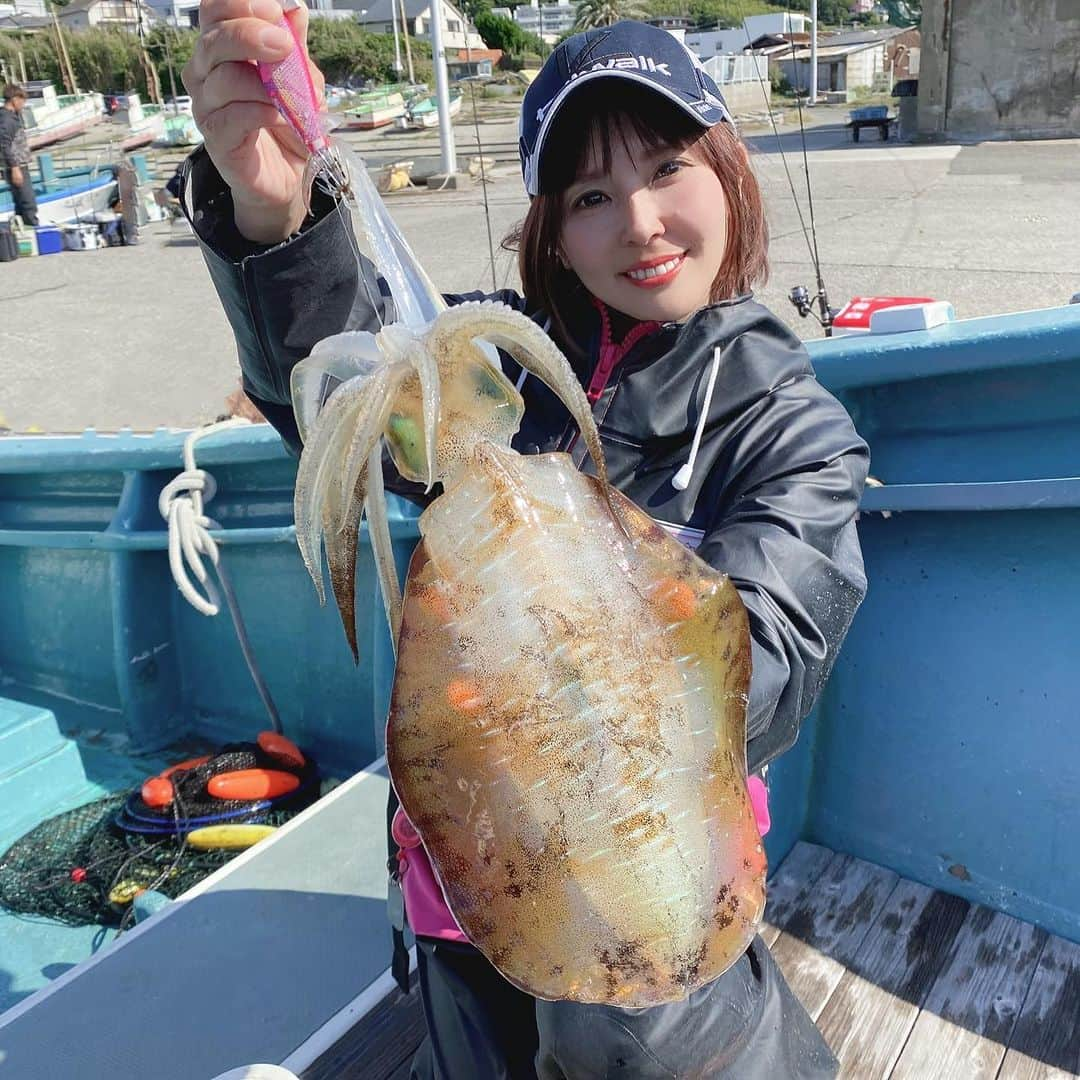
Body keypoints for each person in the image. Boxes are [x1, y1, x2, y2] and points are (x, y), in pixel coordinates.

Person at [182, 10, 868, 1077]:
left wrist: (576, 600)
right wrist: (280, 220)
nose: (639, 222)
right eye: (591, 196)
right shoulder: (509, 382)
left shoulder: (792, 430)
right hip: (458, 876)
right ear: (551, 226)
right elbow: (363, 375)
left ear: (730, 172)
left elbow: (768, 660)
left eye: (668, 168)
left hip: (654, 880)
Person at [1, 83, 39, 227]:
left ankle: (23, 235)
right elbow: (4, 144)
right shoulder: (8, 120)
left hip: (13, 165)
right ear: (14, 99)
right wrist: (15, 168)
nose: (23, 104)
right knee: (28, 202)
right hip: (17, 166)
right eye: (22, 101)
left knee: (20, 204)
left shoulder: (8, 116)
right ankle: (34, 232)